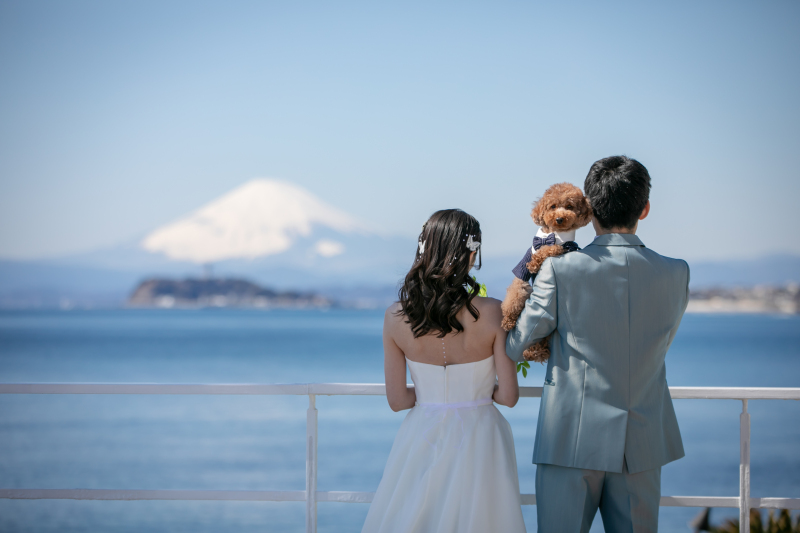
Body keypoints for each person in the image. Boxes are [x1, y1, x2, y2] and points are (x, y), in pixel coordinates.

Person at [506, 156, 690, 533]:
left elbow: (516, 344)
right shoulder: (676, 272)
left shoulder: (559, 269)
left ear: (589, 207)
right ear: (645, 208)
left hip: (569, 439)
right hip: (641, 444)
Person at [362, 209, 527, 533]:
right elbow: (508, 397)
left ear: (424, 250)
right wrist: (478, 391)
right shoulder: (493, 312)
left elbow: (397, 400)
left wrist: (432, 394)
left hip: (422, 434)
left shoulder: (395, 317)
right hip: (481, 436)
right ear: (471, 253)